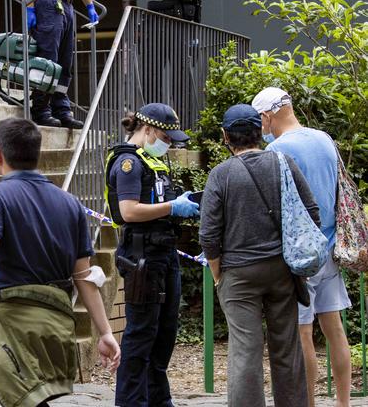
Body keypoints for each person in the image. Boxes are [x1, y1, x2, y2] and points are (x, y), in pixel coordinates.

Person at [0, 117, 120, 407]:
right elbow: (84, 276)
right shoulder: (70, 203)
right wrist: (106, 332)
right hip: (57, 326)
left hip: (14, 324)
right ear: (38, 154)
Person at [199, 104, 318, 407]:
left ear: (225, 136)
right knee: (287, 349)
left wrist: (218, 275)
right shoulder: (283, 162)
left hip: (238, 274)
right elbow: (311, 213)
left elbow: (208, 236)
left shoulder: (220, 175)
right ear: (259, 131)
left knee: (245, 351)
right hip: (281, 270)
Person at [252, 87, 352, 407]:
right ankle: (344, 403)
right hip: (331, 246)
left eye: (260, 120)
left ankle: (308, 403)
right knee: (334, 328)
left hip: (299, 254)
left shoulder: (278, 151)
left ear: (267, 116)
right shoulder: (324, 139)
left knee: (303, 332)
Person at [104, 103, 199, 407]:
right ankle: (131, 402)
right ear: (147, 130)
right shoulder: (128, 163)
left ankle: (159, 399)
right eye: (167, 138)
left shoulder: (152, 160)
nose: (169, 144)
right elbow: (128, 211)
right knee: (141, 335)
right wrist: (172, 207)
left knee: (165, 332)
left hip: (164, 254)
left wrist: (180, 206)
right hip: (142, 257)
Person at [27, 0, 99, 128]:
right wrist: (31, 6)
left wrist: (89, 6)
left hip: (67, 5)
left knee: (65, 61)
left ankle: (62, 109)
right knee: (49, 57)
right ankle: (41, 108)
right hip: (49, 2)